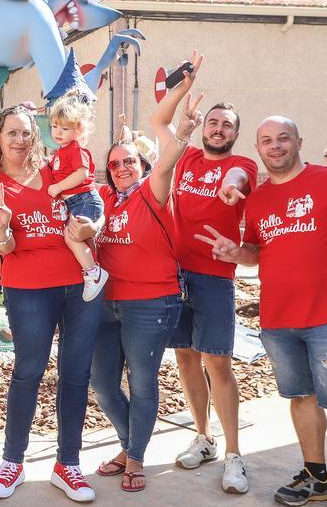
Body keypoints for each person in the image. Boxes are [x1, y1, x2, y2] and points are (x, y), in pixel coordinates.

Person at [197, 116, 327, 507]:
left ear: (299, 142)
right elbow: (256, 252)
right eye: (267, 140)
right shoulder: (256, 200)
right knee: (301, 398)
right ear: (257, 149)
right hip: (278, 320)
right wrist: (236, 253)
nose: (275, 146)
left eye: (283, 138)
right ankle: (315, 477)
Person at [0, 103, 102, 503]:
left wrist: (92, 224)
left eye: (27, 132)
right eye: (11, 132)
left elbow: (90, 205)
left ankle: (69, 464)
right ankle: (12, 461)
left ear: (37, 136)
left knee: (76, 374)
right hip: (28, 288)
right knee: (29, 371)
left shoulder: (57, 171)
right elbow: (3, 247)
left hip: (80, 287)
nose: (20, 139)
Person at [90, 54, 202, 493]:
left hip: (151, 303)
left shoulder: (154, 191)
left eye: (129, 162)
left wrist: (178, 103)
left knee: (142, 380)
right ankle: (128, 442)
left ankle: (135, 457)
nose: (121, 168)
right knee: (101, 383)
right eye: (115, 163)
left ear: (142, 165)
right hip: (105, 304)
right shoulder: (103, 197)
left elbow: (168, 150)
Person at [167, 100, 259, 494]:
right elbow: (162, 138)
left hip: (214, 277)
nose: (218, 129)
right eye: (213, 122)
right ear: (204, 127)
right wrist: (181, 120)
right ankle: (204, 438)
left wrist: (231, 186)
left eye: (226, 125)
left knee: (217, 363)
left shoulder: (243, 166)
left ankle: (234, 454)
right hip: (175, 274)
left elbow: (239, 176)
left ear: (235, 134)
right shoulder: (186, 158)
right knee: (185, 357)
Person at [46, 92, 108, 300]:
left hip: (85, 199)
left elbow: (81, 173)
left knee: (71, 236)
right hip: (75, 202)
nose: (58, 132)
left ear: (78, 129)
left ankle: (93, 272)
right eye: (55, 126)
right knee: (75, 237)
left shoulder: (76, 149)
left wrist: (58, 187)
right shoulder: (61, 152)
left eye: (64, 128)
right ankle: (90, 270)